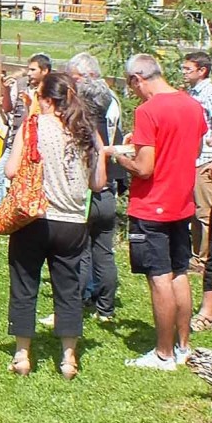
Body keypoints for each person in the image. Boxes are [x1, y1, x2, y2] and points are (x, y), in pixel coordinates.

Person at [4, 73, 106, 379]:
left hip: (35, 217)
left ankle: (22, 355)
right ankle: (68, 358)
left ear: (46, 99)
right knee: (68, 288)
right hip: (73, 222)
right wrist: (101, 151)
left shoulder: (33, 125)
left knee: (24, 284)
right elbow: (98, 184)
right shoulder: (85, 130)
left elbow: (10, 170)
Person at [114, 54, 206, 370]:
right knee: (180, 273)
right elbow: (193, 150)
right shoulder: (191, 105)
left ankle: (163, 353)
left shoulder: (148, 111)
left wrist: (120, 157)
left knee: (159, 278)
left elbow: (144, 168)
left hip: (152, 205)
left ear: (137, 79)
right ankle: (183, 346)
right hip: (182, 203)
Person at [67, 52, 121, 322]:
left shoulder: (82, 123)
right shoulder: (113, 105)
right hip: (108, 188)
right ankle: (106, 309)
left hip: (88, 190)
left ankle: (76, 303)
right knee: (104, 251)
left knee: (81, 251)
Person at [182, 52, 212, 331]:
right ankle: (195, 255)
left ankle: (202, 259)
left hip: (206, 160)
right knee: (193, 210)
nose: (184, 72)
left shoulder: (209, 93)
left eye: (188, 68)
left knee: (204, 213)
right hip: (192, 158)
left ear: (202, 70)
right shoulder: (191, 93)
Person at [0, 54, 51, 203]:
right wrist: (6, 90)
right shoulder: (21, 84)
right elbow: (7, 108)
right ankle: (5, 209)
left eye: (33, 70)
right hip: (16, 141)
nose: (29, 73)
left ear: (45, 71)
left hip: (38, 144)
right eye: (28, 69)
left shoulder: (52, 89)